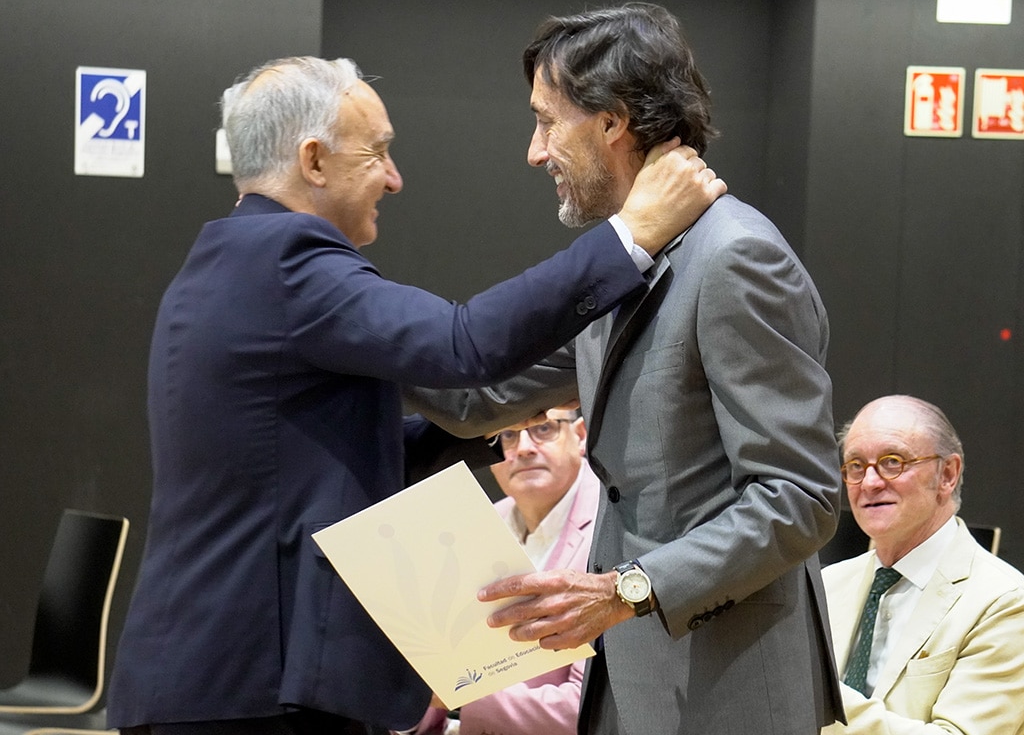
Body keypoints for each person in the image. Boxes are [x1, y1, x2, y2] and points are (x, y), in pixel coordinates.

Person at [105, 56, 725, 735]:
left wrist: (506, 424)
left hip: (209, 675)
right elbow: (465, 345)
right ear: (313, 160)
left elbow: (321, 462)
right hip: (253, 686)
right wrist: (631, 235)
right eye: (379, 152)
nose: (396, 179)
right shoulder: (289, 259)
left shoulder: (225, 262)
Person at [406, 3, 844, 734]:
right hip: (634, 685)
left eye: (548, 122)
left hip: (728, 697)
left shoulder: (736, 257)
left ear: (612, 121)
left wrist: (627, 590)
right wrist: (330, 313)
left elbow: (799, 499)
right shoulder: (629, 260)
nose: (534, 150)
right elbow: (479, 396)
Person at [820, 395, 1024, 734]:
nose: (869, 483)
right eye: (856, 466)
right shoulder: (828, 584)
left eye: (892, 461)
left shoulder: (1006, 602)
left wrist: (818, 696)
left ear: (947, 474)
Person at [415, 408, 599, 735]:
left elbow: (596, 705)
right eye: (508, 435)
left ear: (581, 435)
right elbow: (444, 668)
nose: (524, 447)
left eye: (543, 428)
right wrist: (412, 712)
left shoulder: (613, 527)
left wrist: (460, 696)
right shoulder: (476, 526)